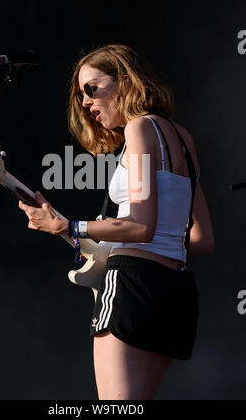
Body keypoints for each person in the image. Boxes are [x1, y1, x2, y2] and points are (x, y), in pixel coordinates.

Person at [18, 44, 214, 400]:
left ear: (125, 80)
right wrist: (97, 236)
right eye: (80, 95)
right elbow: (201, 239)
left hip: (133, 287)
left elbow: (140, 227)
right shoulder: (184, 139)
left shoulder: (139, 130)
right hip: (176, 295)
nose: (85, 102)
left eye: (91, 88)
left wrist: (68, 227)